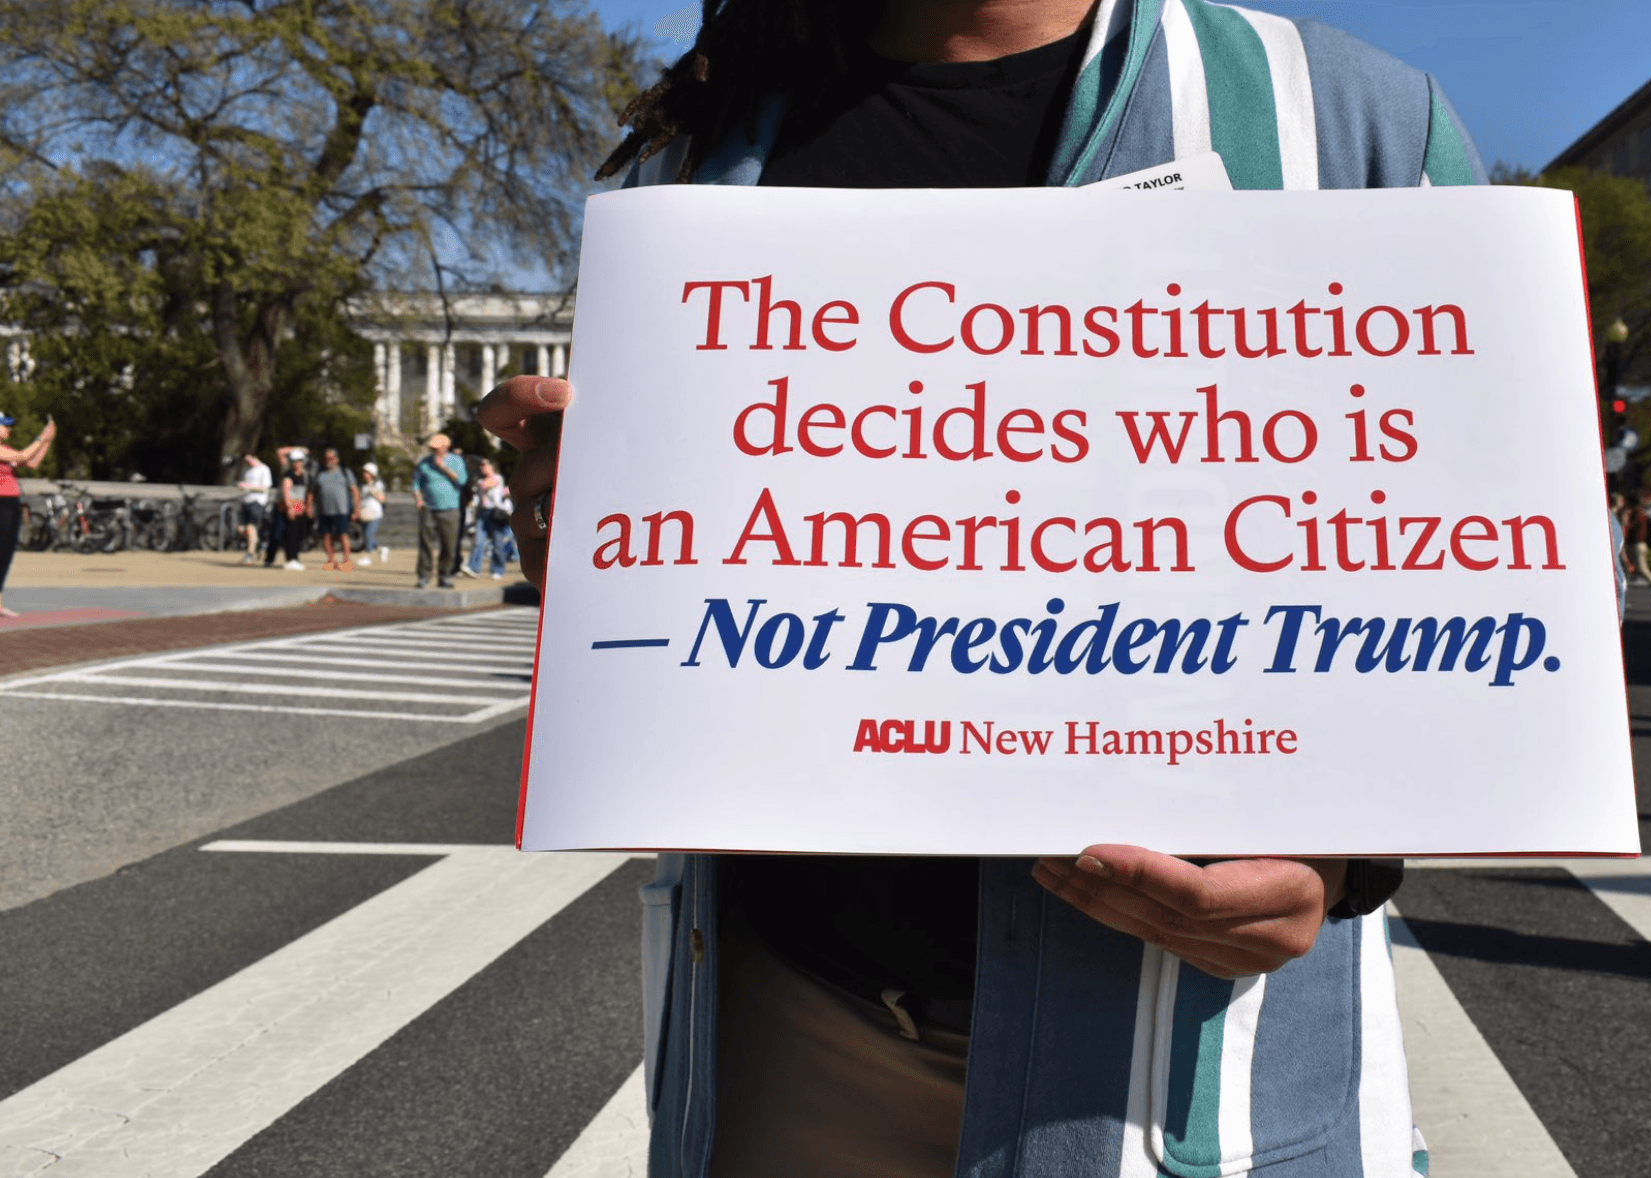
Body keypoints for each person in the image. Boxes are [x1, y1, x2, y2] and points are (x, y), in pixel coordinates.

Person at [479, 2, 1485, 1174]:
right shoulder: (696, 149)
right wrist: (585, 535)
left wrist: (1346, 855)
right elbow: (673, 629)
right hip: (797, 1033)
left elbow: (1456, 554)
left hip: (1174, 1062)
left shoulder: (1354, 122)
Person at [0, 413, 56, 618]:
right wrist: (41, 438)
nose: (8, 429)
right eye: (4, 425)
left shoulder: (6, 450)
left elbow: (31, 463)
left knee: (6, 553)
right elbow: (23, 456)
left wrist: (48, 440)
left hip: (11, 504)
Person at [412, 433, 468, 589]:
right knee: (425, 543)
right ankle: (424, 576)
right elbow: (417, 483)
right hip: (429, 508)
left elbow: (462, 480)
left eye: (437, 448)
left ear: (445, 447)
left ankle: (445, 576)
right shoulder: (424, 462)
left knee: (449, 545)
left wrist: (442, 467)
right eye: (432, 448)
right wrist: (418, 498)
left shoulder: (456, 461)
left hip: (450, 509)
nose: (434, 450)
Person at [310, 448, 359, 572]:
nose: (328, 461)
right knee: (326, 536)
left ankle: (346, 561)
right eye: (326, 459)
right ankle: (331, 560)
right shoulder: (320, 474)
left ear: (337, 459)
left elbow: (355, 491)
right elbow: (311, 492)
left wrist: (357, 509)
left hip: (341, 510)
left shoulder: (345, 472)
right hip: (324, 510)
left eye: (331, 458)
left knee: (343, 535)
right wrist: (308, 507)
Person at [462, 457, 512, 579]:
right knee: (478, 542)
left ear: (492, 467)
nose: (482, 468)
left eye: (485, 465)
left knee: (498, 543)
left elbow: (488, 485)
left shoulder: (498, 479)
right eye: (481, 466)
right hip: (483, 513)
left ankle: (497, 570)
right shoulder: (480, 481)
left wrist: (478, 484)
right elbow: (478, 497)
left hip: (495, 513)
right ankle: (474, 568)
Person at [1618, 493, 1651, 607]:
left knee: (1642, 569)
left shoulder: (1638, 514)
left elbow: (1627, 526)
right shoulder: (1641, 513)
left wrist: (1624, 516)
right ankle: (1622, 597)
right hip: (1639, 545)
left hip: (1638, 545)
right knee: (1629, 571)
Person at [273, 448, 312, 571]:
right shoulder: (288, 474)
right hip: (290, 505)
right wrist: (290, 508)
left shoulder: (305, 475)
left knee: (299, 531)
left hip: (299, 505)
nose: (297, 463)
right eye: (294, 461)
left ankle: (294, 558)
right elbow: (287, 492)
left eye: (299, 461)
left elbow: (306, 493)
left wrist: (306, 506)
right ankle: (291, 559)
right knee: (290, 533)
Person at [237, 453, 273, 565]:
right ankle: (258, 544)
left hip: (258, 501)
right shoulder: (248, 470)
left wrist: (248, 486)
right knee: (241, 528)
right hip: (246, 500)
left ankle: (250, 554)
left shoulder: (264, 469)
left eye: (249, 459)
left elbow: (265, 487)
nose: (247, 462)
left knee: (251, 527)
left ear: (255, 457)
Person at [355, 462, 388, 566]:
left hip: (375, 514)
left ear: (372, 474)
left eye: (367, 472)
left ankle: (367, 557)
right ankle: (382, 549)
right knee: (366, 535)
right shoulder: (364, 486)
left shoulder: (378, 484)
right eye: (364, 472)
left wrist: (372, 490)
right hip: (365, 514)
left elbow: (382, 499)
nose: (364, 474)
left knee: (369, 534)